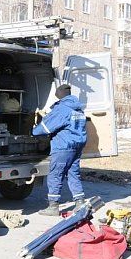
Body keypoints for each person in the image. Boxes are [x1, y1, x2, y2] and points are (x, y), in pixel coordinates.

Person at [32, 84, 87, 216]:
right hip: (77, 145)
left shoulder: (62, 109)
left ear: (60, 93)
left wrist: (34, 131)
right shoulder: (78, 108)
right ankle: (80, 203)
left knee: (55, 174)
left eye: (57, 92)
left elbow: (46, 127)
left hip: (63, 146)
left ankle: (53, 206)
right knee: (73, 173)